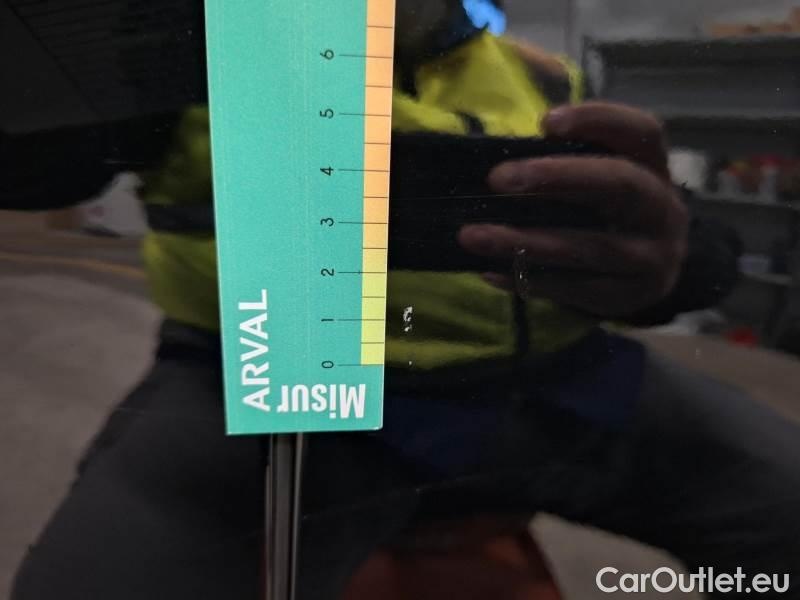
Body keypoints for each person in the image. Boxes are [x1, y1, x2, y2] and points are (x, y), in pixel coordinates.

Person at [3, 1, 798, 598]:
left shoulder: (540, 70)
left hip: (562, 383)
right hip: (293, 393)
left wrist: (674, 262)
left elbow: (688, 239)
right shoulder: (196, 40)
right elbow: (41, 164)